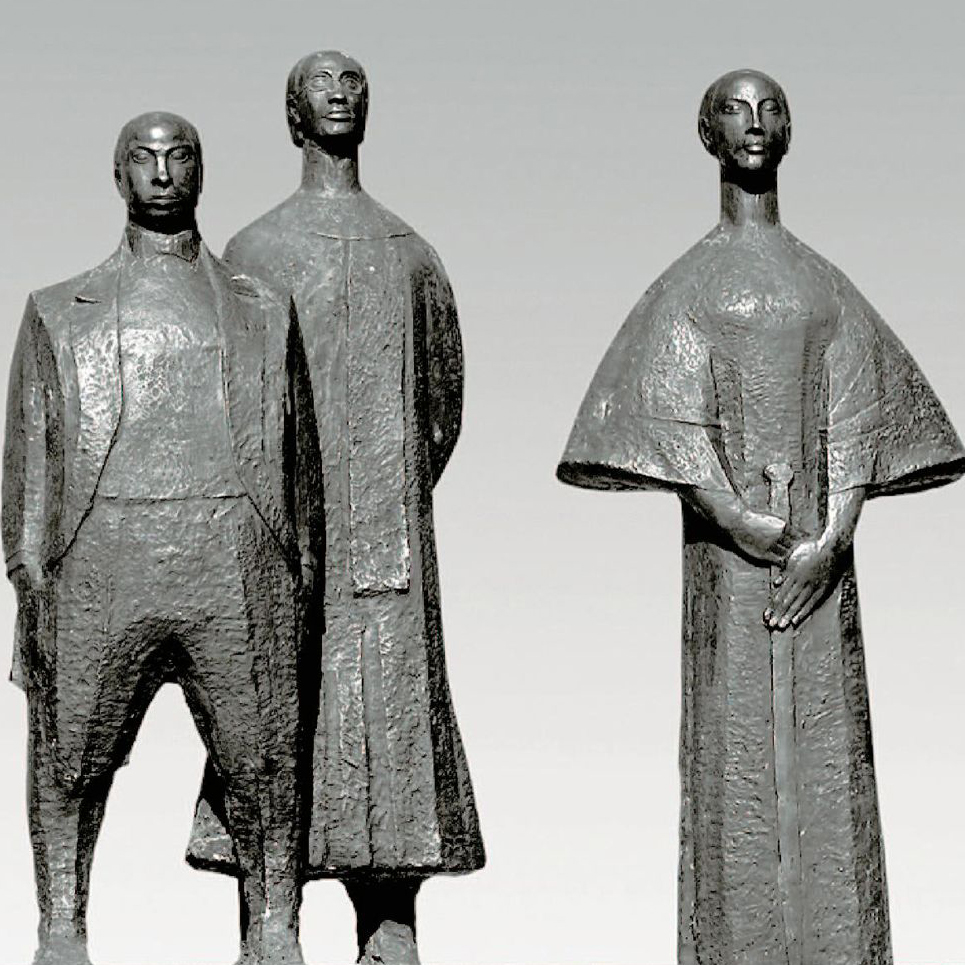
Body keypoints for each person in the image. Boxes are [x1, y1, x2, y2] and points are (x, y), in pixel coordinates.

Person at [558, 70, 964, 965]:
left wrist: (833, 536)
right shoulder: (691, 285)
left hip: (820, 557)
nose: (754, 123)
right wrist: (729, 516)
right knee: (736, 745)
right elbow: (668, 417)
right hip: (729, 565)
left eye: (770, 108)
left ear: (789, 131)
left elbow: (859, 407)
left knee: (827, 749)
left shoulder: (821, 285)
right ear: (707, 134)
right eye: (735, 111)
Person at [3, 112, 322, 965]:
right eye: (142, 158)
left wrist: (297, 573)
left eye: (179, 156)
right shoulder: (56, 311)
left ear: (201, 172)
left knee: (265, 759)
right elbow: (28, 462)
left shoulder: (264, 308)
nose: (161, 172)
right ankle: (61, 929)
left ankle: (274, 929)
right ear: (118, 176)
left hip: (236, 554)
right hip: (102, 555)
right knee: (69, 758)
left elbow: (300, 464)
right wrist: (31, 576)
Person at [185, 52, 484, 965]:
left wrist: (383, 492)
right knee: (269, 706)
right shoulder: (254, 253)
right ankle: (266, 925)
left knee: (392, 719)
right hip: (278, 541)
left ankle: (389, 920)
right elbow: (224, 399)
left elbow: (441, 404)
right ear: (294, 116)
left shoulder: (409, 253)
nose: (342, 94)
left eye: (353, 82)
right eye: (323, 84)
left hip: (388, 536)